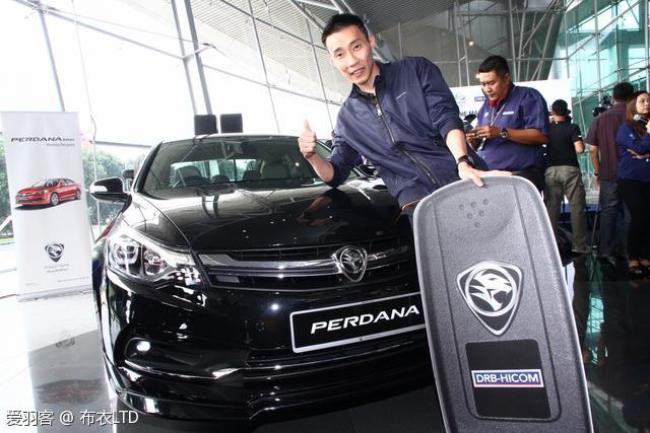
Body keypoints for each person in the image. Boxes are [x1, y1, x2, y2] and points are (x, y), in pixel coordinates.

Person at [297, 13, 506, 218]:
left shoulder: (415, 70)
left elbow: (446, 117)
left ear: (371, 42)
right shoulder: (347, 120)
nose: (351, 61)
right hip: (421, 208)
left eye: (356, 47)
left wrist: (463, 162)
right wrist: (312, 156)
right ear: (332, 60)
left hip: (467, 180)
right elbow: (335, 174)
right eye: (340, 54)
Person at [467, 55, 549, 191]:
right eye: (483, 84)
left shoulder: (528, 96)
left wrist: (502, 132)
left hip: (518, 176)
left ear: (506, 78)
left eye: (491, 83)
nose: (487, 89)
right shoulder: (486, 106)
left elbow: (541, 136)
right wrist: (473, 139)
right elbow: (478, 142)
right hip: (488, 177)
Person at [586, 82, 634, 261]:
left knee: (608, 212)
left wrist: (598, 171)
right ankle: (629, 252)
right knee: (631, 213)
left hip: (609, 173)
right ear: (632, 97)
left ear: (614, 97)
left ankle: (605, 251)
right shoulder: (637, 117)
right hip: (634, 175)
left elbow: (592, 149)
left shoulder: (601, 119)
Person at [544, 99, 590, 255]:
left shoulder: (547, 129)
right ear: (567, 111)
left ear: (553, 112)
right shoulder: (572, 127)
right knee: (576, 208)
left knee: (551, 209)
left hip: (550, 170)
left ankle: (551, 245)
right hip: (570, 170)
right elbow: (579, 149)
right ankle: (579, 246)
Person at [615, 91, 650, 276]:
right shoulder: (625, 128)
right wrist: (647, 140)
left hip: (647, 179)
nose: (647, 104)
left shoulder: (646, 126)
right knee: (639, 216)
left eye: (649, 100)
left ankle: (645, 256)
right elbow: (638, 148)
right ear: (632, 105)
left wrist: (645, 153)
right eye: (642, 101)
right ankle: (633, 257)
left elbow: (642, 150)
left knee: (648, 217)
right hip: (630, 179)